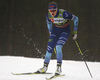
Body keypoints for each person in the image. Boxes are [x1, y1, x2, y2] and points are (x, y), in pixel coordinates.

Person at [37, 2, 78, 75]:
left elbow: (76, 19)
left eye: (54, 10)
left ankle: (58, 68)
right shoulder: (48, 16)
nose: (52, 13)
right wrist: (50, 31)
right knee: (49, 48)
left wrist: (75, 31)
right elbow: (49, 23)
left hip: (65, 31)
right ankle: (44, 67)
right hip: (55, 32)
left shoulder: (64, 14)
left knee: (58, 46)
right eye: (50, 11)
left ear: (57, 9)